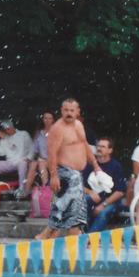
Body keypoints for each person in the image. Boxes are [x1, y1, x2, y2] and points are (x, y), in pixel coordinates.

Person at [37, 98, 100, 239]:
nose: (69, 113)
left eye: (72, 110)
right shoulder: (57, 129)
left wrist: (96, 166)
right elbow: (51, 154)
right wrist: (53, 175)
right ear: (61, 111)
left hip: (76, 173)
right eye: (66, 110)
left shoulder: (78, 125)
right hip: (64, 172)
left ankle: (52, 236)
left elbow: (85, 145)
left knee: (71, 208)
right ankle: (49, 235)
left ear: (77, 112)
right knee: (70, 207)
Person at [82, 137, 127, 232]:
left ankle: (89, 238)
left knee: (103, 213)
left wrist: (104, 204)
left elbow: (120, 192)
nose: (99, 148)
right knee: (81, 204)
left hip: (111, 201)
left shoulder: (116, 166)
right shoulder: (90, 165)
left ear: (110, 150)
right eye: (98, 146)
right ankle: (80, 234)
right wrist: (90, 192)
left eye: (103, 146)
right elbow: (80, 186)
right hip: (93, 199)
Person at [0, 119, 34, 187]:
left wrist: (29, 158)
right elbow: (1, 153)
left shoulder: (23, 134)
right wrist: (2, 139)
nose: (7, 131)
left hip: (22, 161)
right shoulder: (5, 138)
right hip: (10, 162)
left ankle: (22, 187)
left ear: (12, 127)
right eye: (6, 130)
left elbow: (32, 148)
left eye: (8, 129)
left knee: (22, 163)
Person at [20, 111, 55, 197]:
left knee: (41, 164)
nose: (47, 120)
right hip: (42, 159)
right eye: (45, 118)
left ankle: (46, 191)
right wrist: (29, 159)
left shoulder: (57, 131)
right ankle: (26, 190)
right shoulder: (39, 133)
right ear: (43, 119)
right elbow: (34, 149)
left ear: (53, 120)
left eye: (50, 118)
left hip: (54, 159)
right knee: (33, 164)